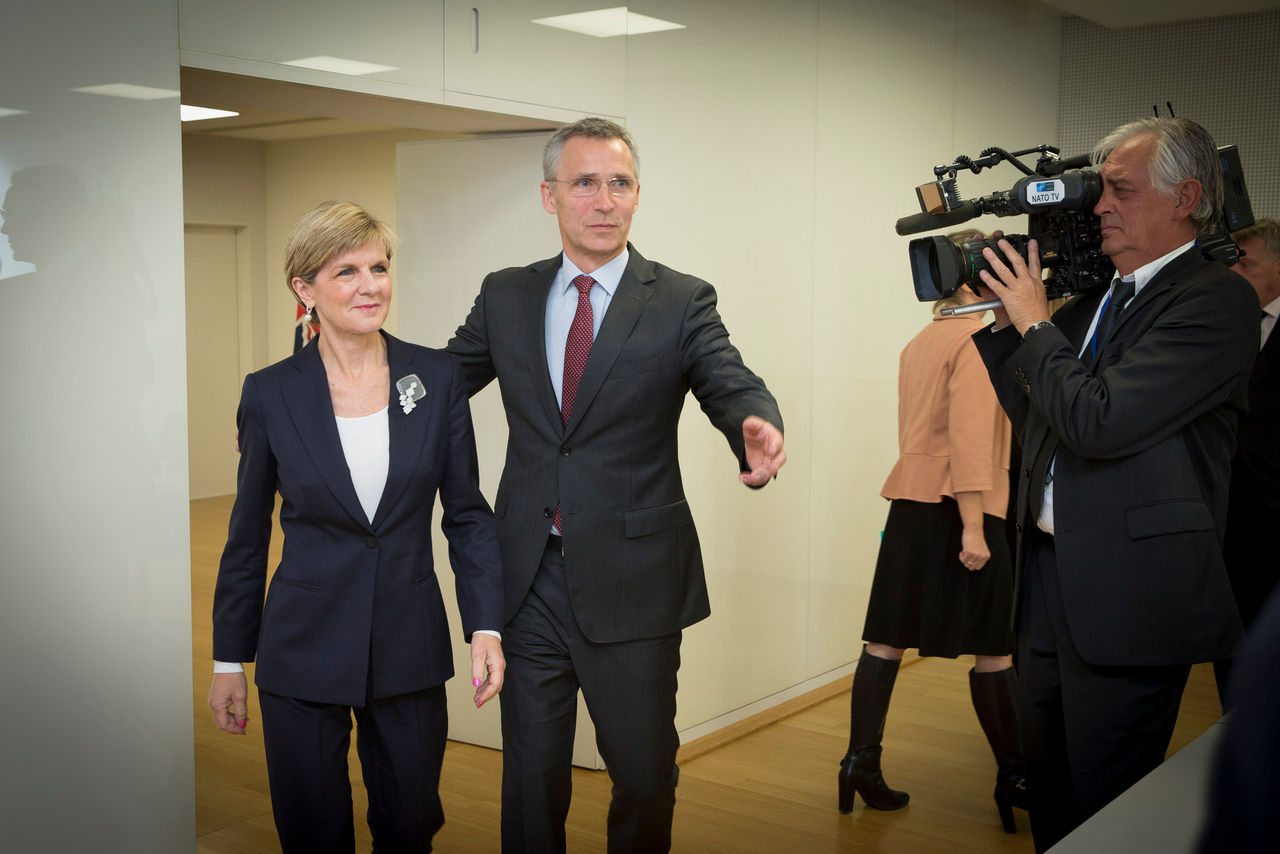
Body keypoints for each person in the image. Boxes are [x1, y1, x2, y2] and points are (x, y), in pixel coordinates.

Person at [445, 117, 786, 853]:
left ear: (637, 196)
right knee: (531, 781)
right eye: (585, 183)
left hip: (634, 580)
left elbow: (728, 379)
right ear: (550, 196)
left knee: (642, 773)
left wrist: (753, 421)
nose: (604, 200)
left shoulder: (679, 299)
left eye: (620, 183)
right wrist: (349, 359)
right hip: (529, 576)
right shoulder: (506, 294)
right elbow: (442, 383)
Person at [973, 117, 1257, 852]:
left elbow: (1098, 423)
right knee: (1054, 799)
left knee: (1109, 811)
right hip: (1046, 582)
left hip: (1131, 595)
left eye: (1121, 191)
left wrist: (1034, 323)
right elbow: (1040, 411)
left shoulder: (1216, 302)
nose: (1100, 206)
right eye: (1100, 191)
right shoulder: (1098, 301)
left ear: (1185, 197)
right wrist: (1003, 320)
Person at [207, 201, 505, 853]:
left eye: (379, 267)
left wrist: (485, 626)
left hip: (409, 644)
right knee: (312, 833)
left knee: (410, 823)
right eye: (346, 272)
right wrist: (230, 658)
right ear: (304, 289)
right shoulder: (269, 393)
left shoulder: (438, 377)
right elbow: (247, 536)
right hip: (301, 647)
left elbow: (467, 515)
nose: (370, 285)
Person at [839, 263, 1027, 834]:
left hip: (912, 505)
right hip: (963, 506)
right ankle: (1016, 777)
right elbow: (970, 440)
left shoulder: (922, 339)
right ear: (975, 285)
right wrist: (974, 528)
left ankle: (858, 763)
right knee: (995, 647)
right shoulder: (976, 342)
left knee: (887, 637)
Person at [1213, 217, 1280, 705]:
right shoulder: (1217, 329)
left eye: (1246, 263)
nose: (1234, 274)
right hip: (1224, 521)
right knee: (1231, 650)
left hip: (1275, 524)